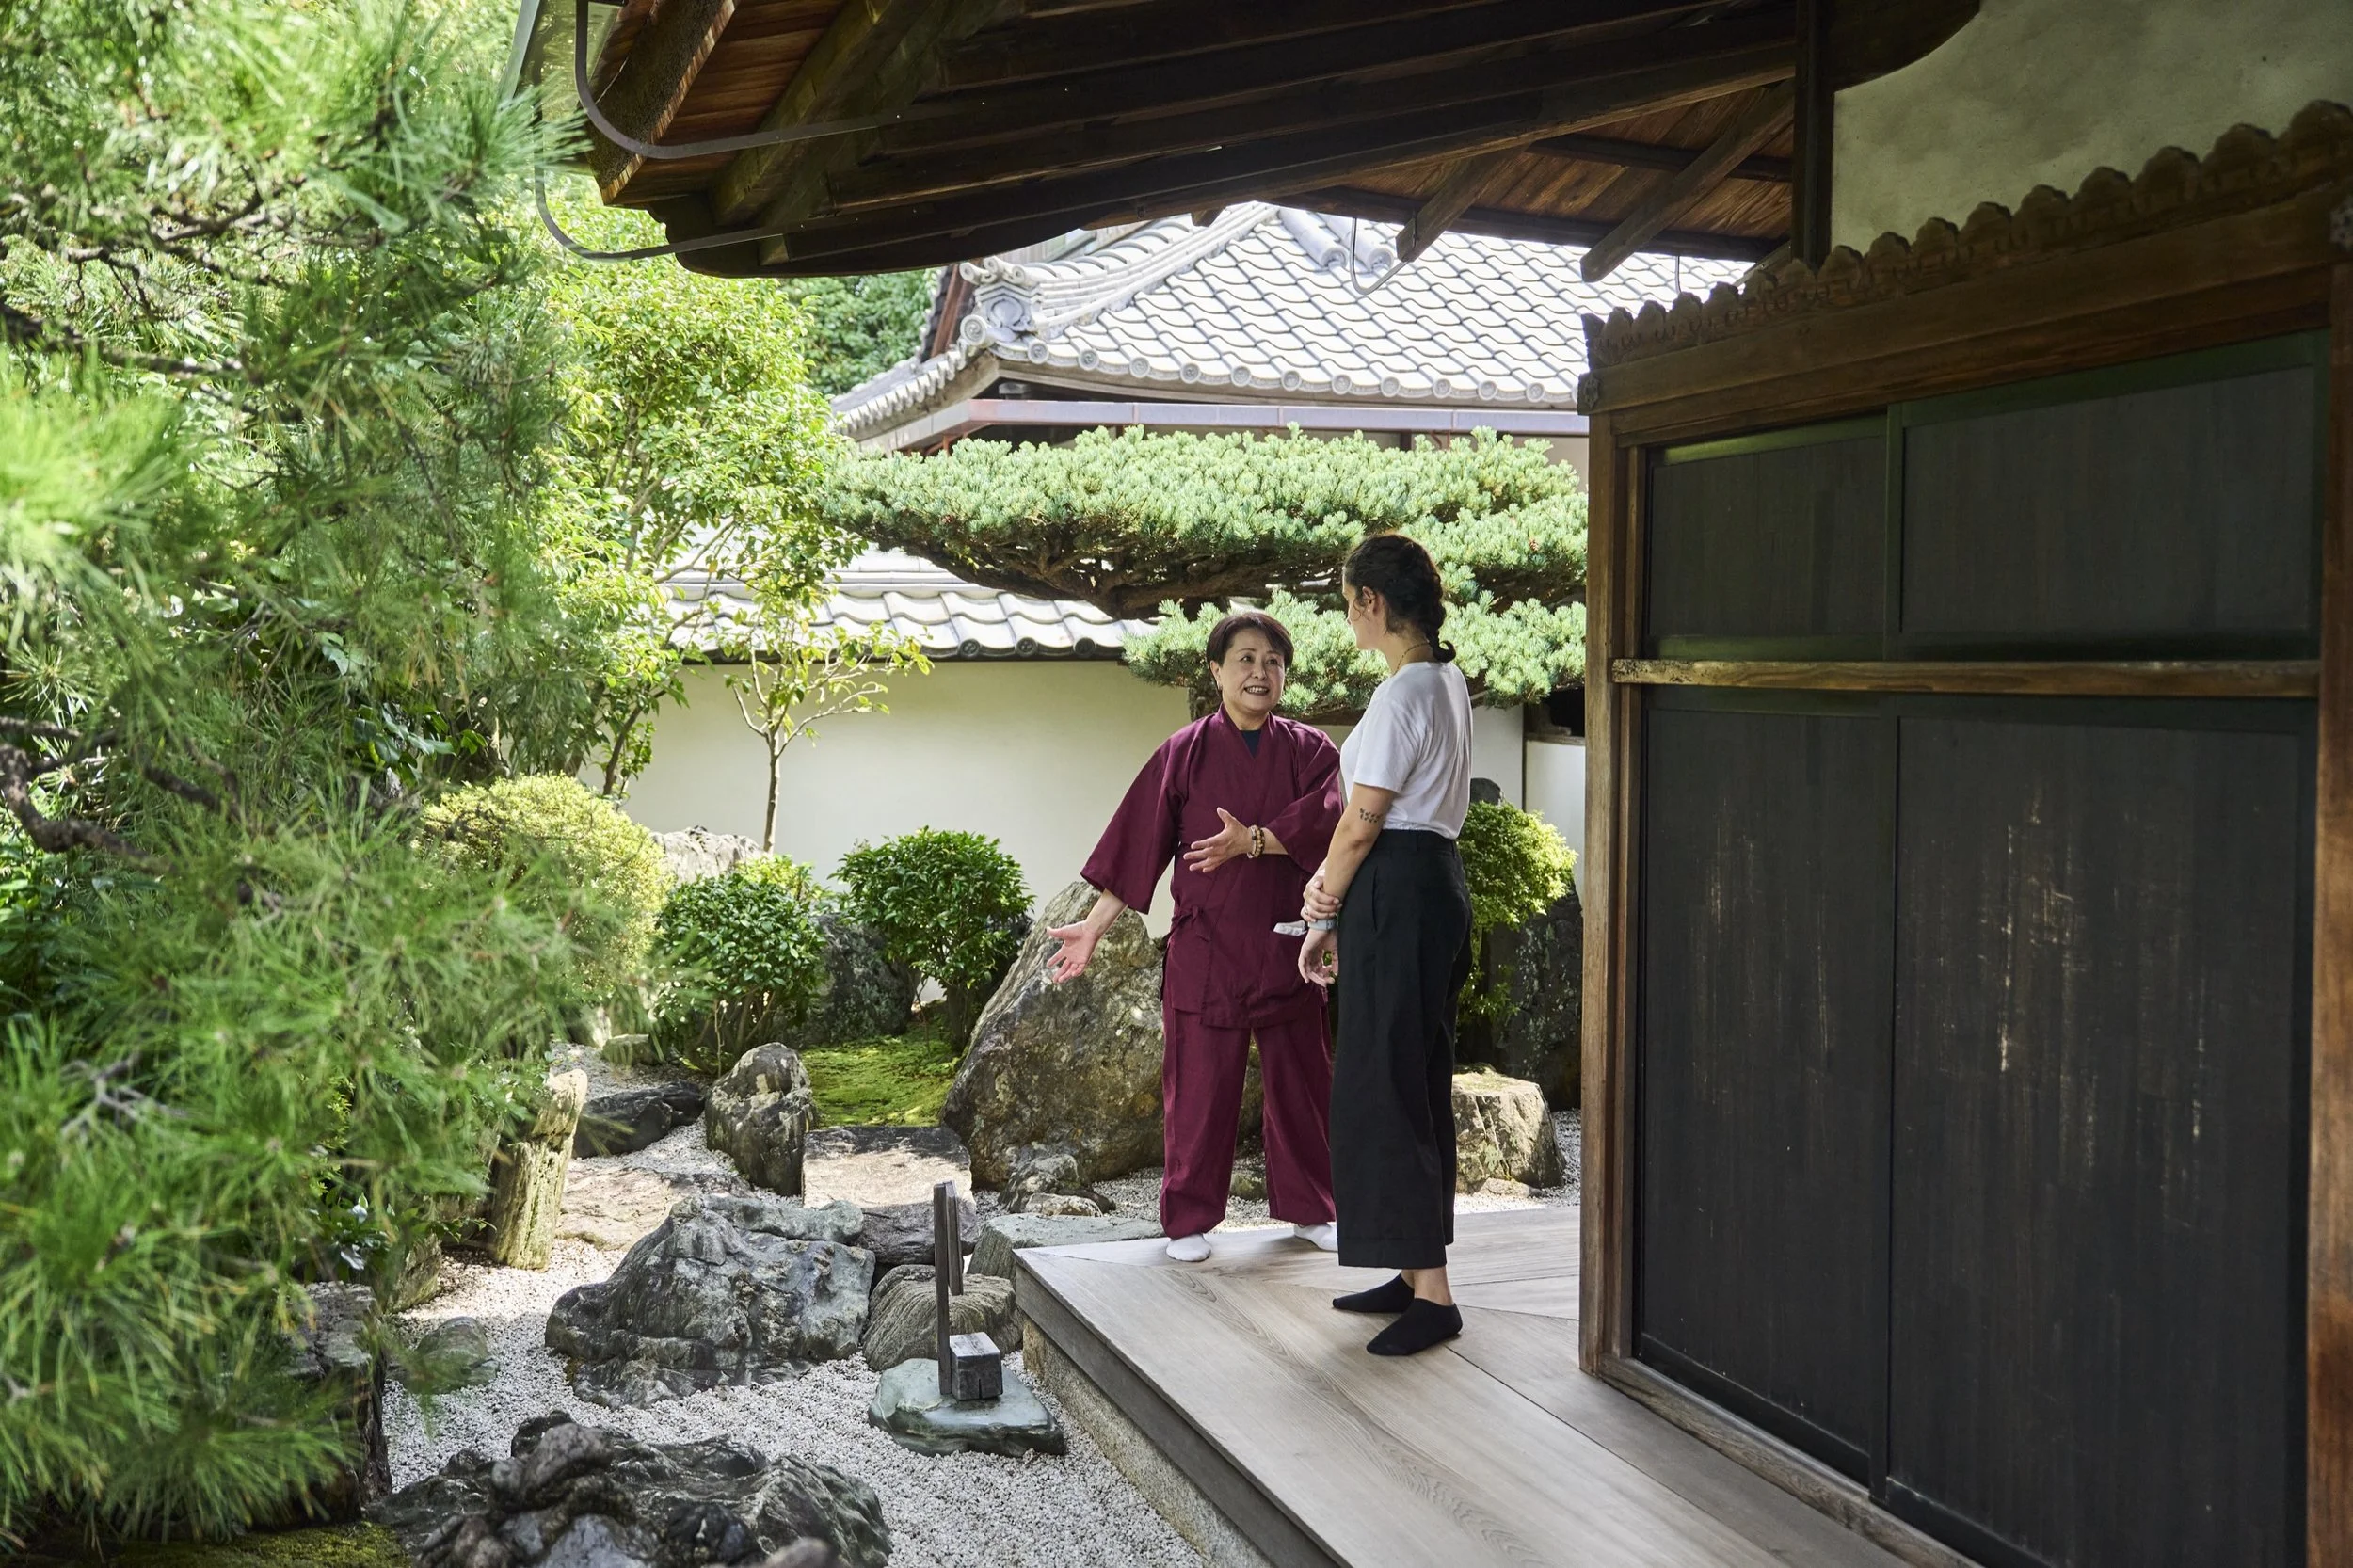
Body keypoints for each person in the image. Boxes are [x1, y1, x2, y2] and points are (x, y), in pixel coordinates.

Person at [1048, 611, 1344, 1263]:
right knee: (1200, 1091)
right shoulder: (1182, 753)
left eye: (1272, 661)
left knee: (1302, 1084)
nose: (1259, 673)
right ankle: (1188, 1219)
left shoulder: (1313, 751)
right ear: (1215, 671)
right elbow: (1138, 845)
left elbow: (1332, 824)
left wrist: (1255, 841)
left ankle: (1312, 1208)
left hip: (1288, 941)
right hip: (1207, 949)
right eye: (1244, 659)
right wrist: (1094, 929)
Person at [1297, 533, 1475, 1356]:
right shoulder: (1446, 681)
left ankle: (1432, 1293)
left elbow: (1363, 819)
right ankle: (1408, 1271)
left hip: (1396, 885)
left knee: (1384, 1082)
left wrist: (1321, 902)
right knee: (1412, 1074)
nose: (1347, 615)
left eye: (1347, 600)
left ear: (1370, 600)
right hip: (1432, 882)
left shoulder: (1406, 694)